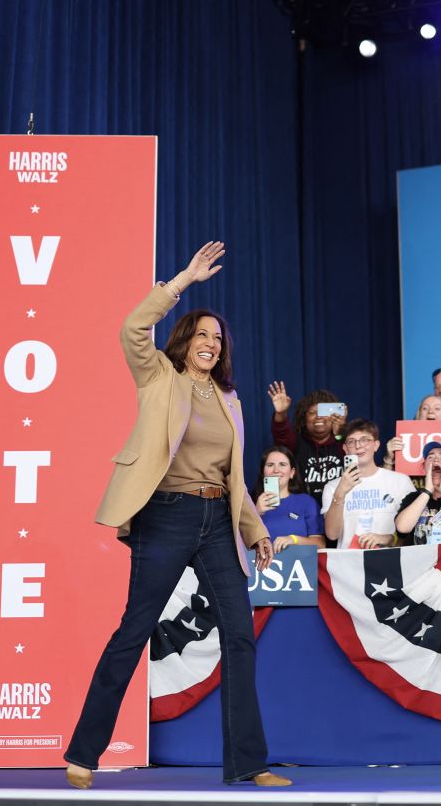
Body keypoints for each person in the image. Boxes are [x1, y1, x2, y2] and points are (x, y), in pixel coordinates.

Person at [64, 243, 289, 789]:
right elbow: (131, 329)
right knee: (135, 629)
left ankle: (248, 763)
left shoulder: (230, 399)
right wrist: (183, 280)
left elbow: (236, 477)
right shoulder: (158, 377)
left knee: (239, 635)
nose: (211, 344)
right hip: (165, 515)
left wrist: (255, 532)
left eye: (218, 338)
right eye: (202, 335)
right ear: (186, 341)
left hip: (216, 521)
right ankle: (83, 753)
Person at [321, 420, 415, 549]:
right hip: (348, 563)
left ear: (376, 445)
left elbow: (414, 528)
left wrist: (389, 538)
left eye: (364, 440)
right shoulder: (332, 487)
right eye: (351, 441)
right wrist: (340, 493)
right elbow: (332, 535)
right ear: (345, 449)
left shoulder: (401, 481)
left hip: (389, 561)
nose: (358, 446)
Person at [267, 382, 346, 503]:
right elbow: (281, 434)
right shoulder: (296, 442)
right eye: (312, 413)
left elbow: (356, 466)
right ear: (304, 419)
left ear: (334, 417)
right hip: (302, 513)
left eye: (323, 412)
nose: (318, 417)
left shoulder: (344, 441)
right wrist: (281, 414)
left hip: (338, 508)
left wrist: (340, 434)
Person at [254, 446, 325, 553]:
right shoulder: (249, 503)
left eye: (282, 465)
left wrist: (294, 539)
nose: (276, 470)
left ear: (292, 473)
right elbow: (239, 543)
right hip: (259, 566)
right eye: (270, 465)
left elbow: (320, 544)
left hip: (298, 566)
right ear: (263, 472)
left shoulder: (307, 502)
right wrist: (255, 513)